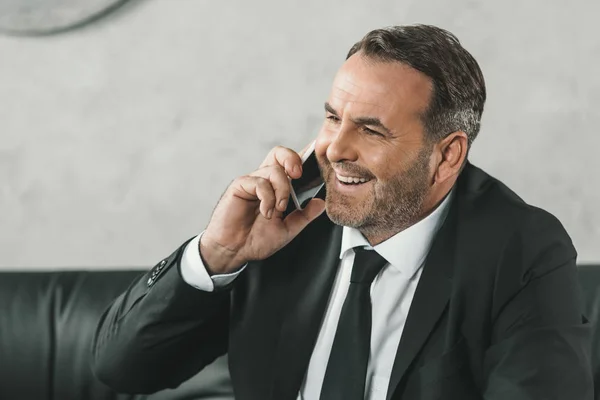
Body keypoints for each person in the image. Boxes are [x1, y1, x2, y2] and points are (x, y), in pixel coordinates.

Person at [91, 24, 593, 399]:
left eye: (371, 130)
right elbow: (123, 369)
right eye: (333, 118)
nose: (334, 150)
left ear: (447, 156)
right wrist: (217, 254)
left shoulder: (522, 249)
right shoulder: (283, 224)